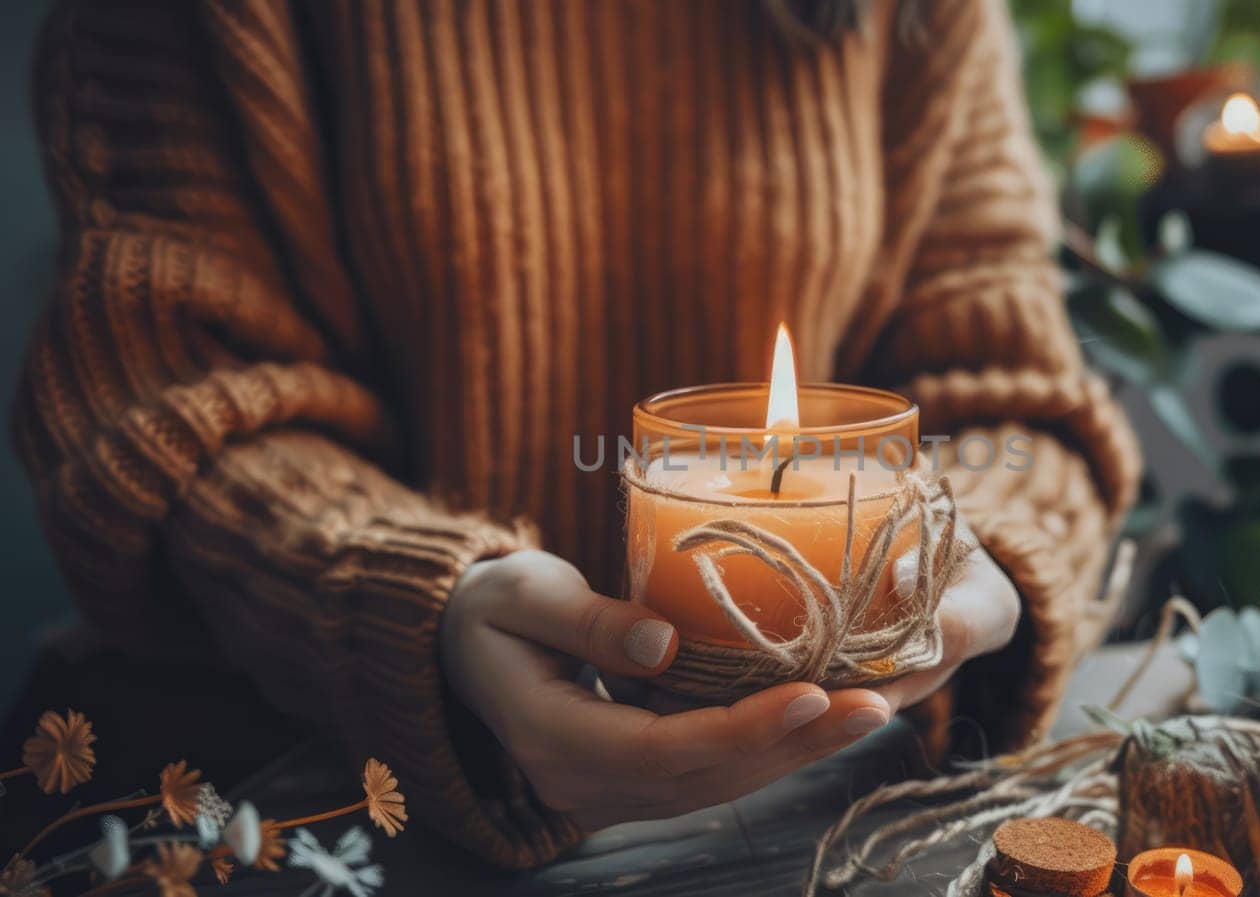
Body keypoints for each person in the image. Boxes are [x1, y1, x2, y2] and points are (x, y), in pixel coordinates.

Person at [15, 0, 1139, 868]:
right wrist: (416, 608)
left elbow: (1010, 393)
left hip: (821, 816)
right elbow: (165, 404)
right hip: (292, 792)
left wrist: (973, 557)